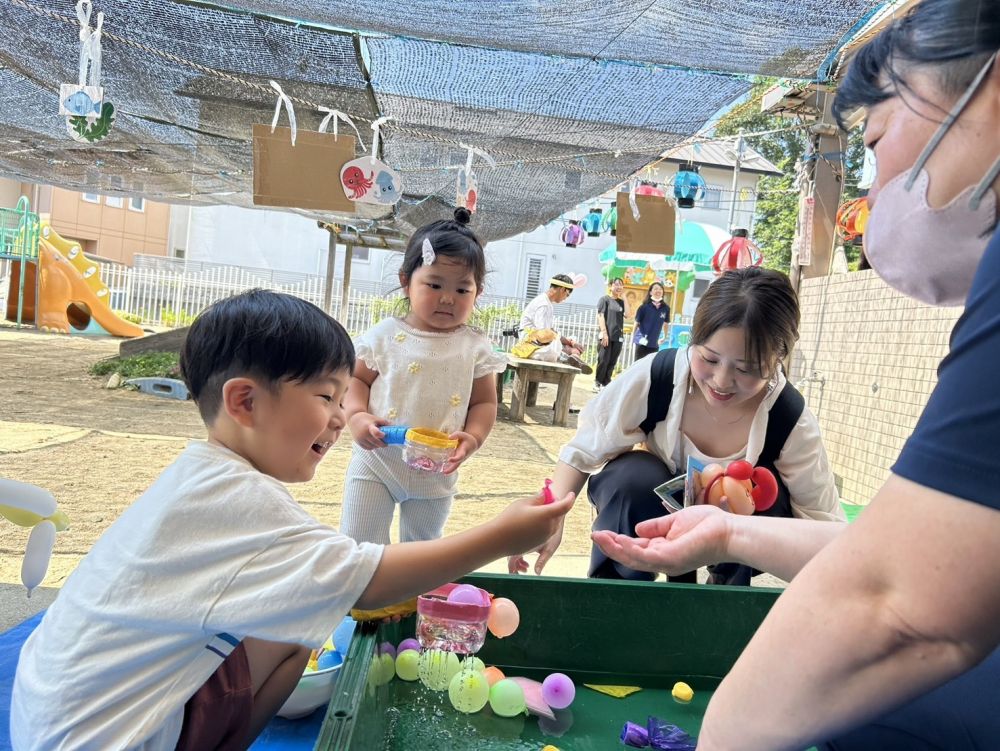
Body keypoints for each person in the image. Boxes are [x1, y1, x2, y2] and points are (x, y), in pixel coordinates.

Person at [596, 1, 1000, 747]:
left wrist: (723, 736)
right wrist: (728, 533)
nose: (874, 191)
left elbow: (898, 600)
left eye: (876, 145)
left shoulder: (790, 415)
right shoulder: (656, 377)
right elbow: (918, 555)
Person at [10, 290, 573, 750]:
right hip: (104, 738)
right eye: (327, 396)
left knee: (295, 618)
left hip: (48, 717)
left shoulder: (201, 474)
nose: (336, 419)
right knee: (291, 634)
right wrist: (503, 535)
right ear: (245, 402)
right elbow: (367, 583)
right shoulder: (235, 496)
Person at [509, 267, 844, 585]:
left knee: (769, 501)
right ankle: (619, 592)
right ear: (693, 340)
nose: (722, 381)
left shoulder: (789, 417)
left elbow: (824, 525)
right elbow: (585, 447)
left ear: (779, 359)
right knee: (631, 478)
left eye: (748, 368)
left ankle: (726, 599)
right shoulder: (658, 376)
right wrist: (551, 519)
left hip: (739, 537)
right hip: (651, 512)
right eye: (709, 359)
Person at [341, 209, 509, 545]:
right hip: (377, 461)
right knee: (359, 544)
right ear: (406, 281)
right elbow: (356, 381)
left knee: (422, 552)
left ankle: (412, 599)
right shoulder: (385, 335)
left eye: (462, 290)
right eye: (434, 285)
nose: (448, 298)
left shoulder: (475, 346)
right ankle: (363, 598)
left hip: (437, 471)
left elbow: (485, 402)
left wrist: (473, 437)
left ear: (478, 292)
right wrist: (357, 415)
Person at [514, 273, 592, 374]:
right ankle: (569, 357)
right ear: (562, 289)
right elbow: (543, 335)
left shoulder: (547, 303)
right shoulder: (543, 304)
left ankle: (572, 358)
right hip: (530, 345)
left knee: (572, 346)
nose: (565, 298)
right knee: (566, 350)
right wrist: (565, 346)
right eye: (567, 295)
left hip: (538, 342)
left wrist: (570, 342)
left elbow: (549, 331)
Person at [594, 277, 626, 392]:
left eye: (621, 285)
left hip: (618, 336)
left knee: (612, 361)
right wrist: (604, 333)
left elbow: (628, 314)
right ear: (610, 286)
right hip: (606, 335)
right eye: (616, 284)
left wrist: (625, 297)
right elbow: (600, 316)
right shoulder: (604, 299)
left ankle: (606, 382)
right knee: (603, 359)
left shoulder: (621, 302)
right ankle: (597, 382)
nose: (619, 287)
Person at [632, 281, 670, 361]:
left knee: (650, 366)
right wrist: (633, 336)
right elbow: (636, 323)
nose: (658, 291)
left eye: (660, 289)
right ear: (650, 292)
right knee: (638, 364)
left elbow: (666, 324)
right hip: (641, 341)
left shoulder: (666, 308)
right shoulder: (643, 307)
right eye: (655, 289)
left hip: (654, 343)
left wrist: (664, 336)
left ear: (663, 292)